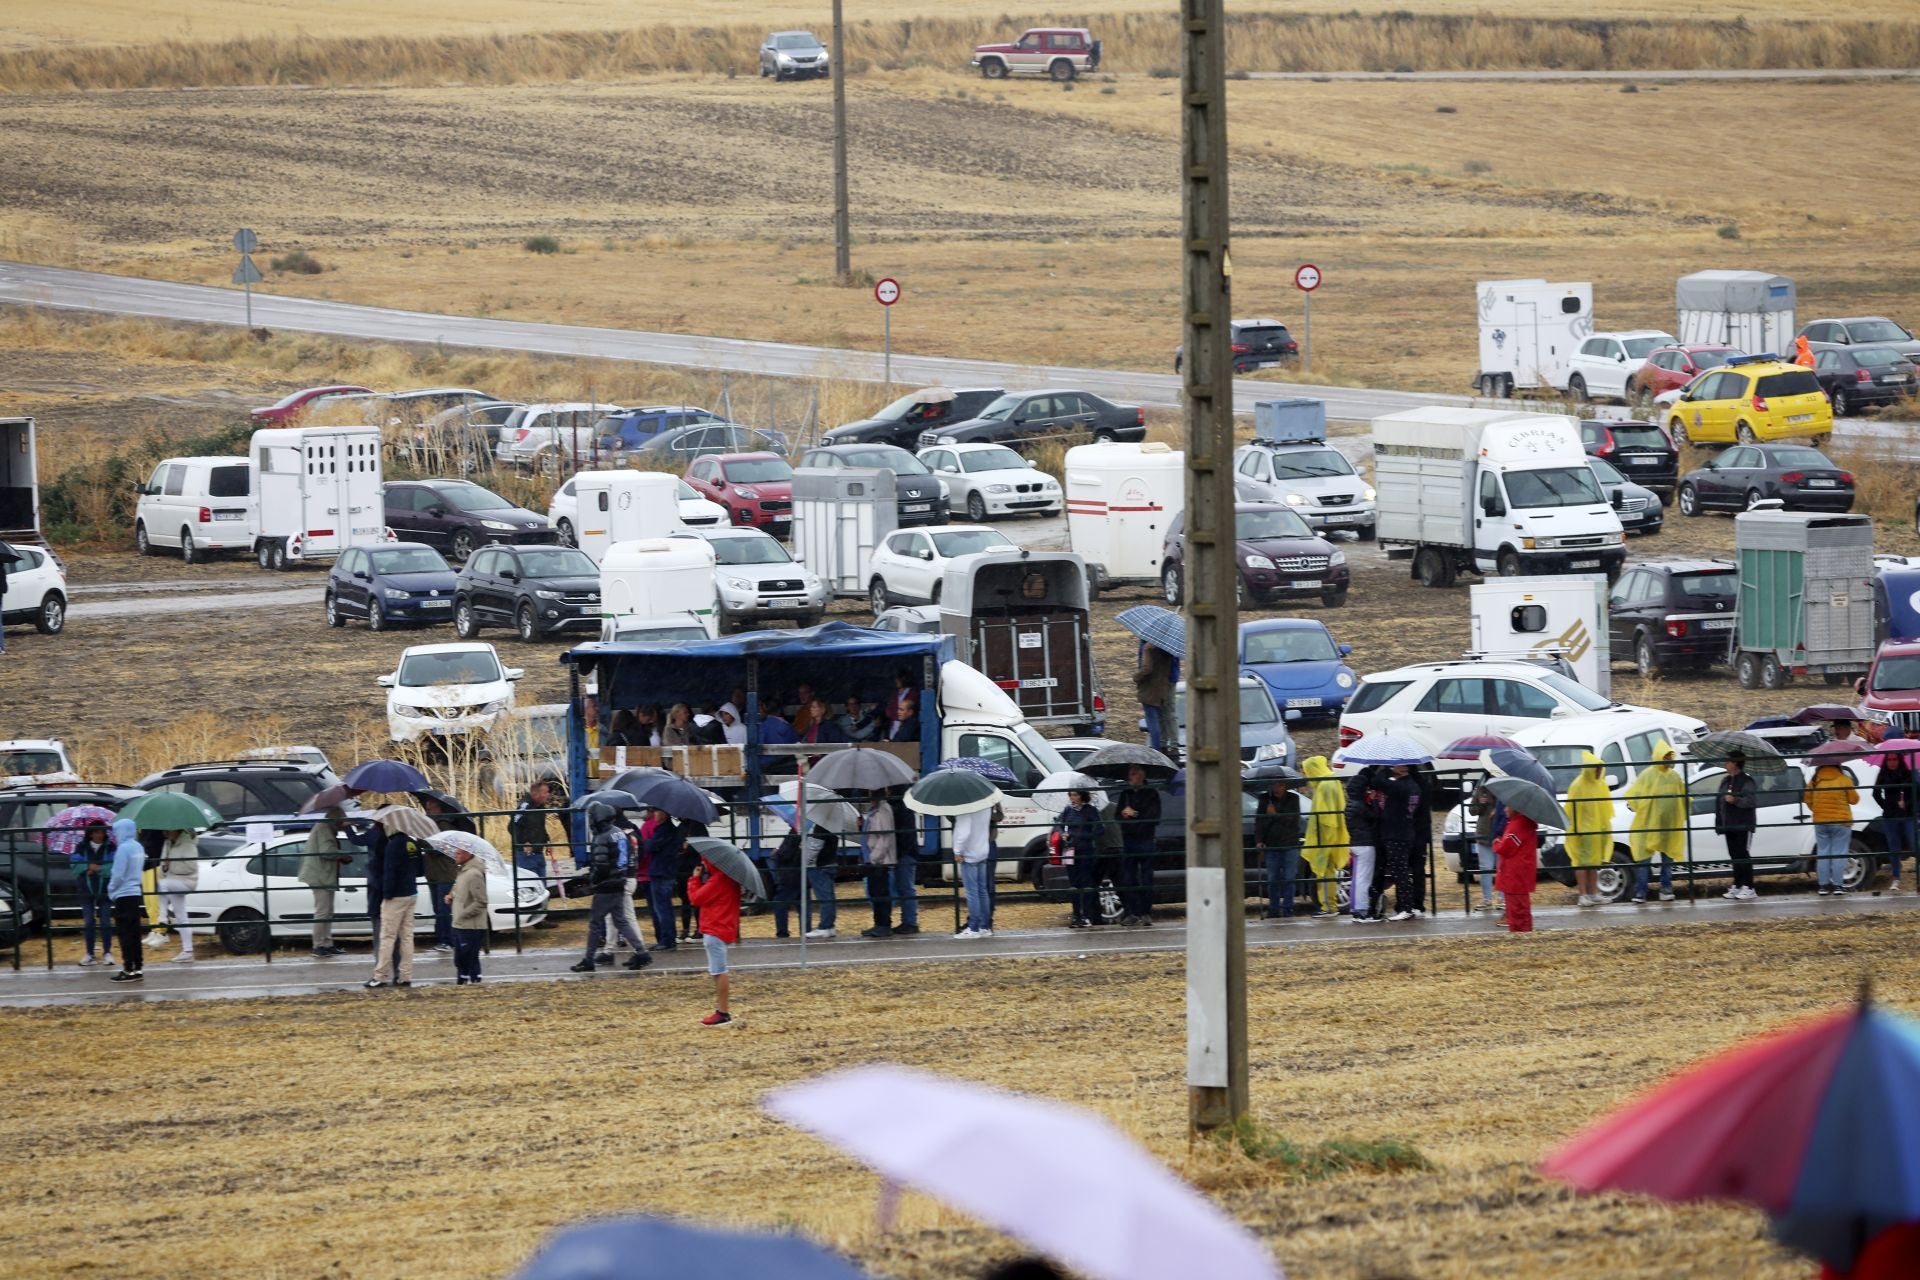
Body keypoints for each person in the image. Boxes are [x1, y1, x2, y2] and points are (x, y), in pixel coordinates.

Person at [571, 801, 652, 973]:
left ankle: (589, 959)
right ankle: (641, 952)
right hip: (620, 880)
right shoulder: (619, 833)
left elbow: (601, 865)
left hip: (607, 885)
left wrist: (592, 880)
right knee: (621, 921)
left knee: (595, 922)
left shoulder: (602, 837)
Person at [364, 815, 423, 989]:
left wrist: (386, 894)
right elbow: (420, 869)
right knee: (407, 937)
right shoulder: (411, 843)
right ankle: (405, 975)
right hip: (411, 893)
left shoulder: (393, 845)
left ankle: (380, 976)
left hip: (395, 896)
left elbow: (389, 873)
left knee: (387, 937)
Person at [1624, 741, 1687, 903]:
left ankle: (1666, 889)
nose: (1669, 759)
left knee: (1667, 860)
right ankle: (1641, 892)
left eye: (1670, 756)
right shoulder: (1647, 775)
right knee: (1644, 861)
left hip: (1668, 826)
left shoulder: (1674, 777)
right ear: (1659, 756)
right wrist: (1637, 807)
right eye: (1666, 756)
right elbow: (1634, 795)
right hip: (1648, 825)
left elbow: (1683, 797)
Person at [686, 854, 742, 1027]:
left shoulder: (718, 880)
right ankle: (721, 1010)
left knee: (719, 971)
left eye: (705, 862)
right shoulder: (730, 879)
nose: (704, 865)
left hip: (715, 927)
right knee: (718, 970)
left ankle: (723, 1012)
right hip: (723, 926)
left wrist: (694, 879)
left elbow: (696, 898)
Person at [299, 806, 352, 957]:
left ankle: (326, 943)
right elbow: (326, 851)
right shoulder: (324, 828)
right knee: (323, 912)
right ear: (336, 819)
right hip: (321, 875)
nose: (342, 824)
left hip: (324, 874)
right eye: (341, 821)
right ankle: (319, 945)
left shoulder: (325, 827)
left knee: (327, 911)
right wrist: (343, 854)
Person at [1302, 756, 1350, 918]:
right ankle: (1328, 905)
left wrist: (1323, 841)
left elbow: (1326, 817)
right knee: (1325, 872)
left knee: (1325, 872)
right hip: (1329, 836)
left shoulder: (1325, 785)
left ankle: (1329, 906)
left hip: (1325, 838)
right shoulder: (1331, 780)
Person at [1380, 763, 1429, 922]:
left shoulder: (1400, 787)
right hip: (1408, 833)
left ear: (1402, 768)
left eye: (1395, 765)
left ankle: (1406, 907)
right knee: (1405, 872)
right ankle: (1410, 905)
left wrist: (1386, 770)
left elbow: (1379, 781)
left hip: (1397, 834)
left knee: (1400, 873)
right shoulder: (1415, 786)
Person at [1565, 752, 1615, 907]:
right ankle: (1583, 895)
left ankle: (1593, 893)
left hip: (1597, 829)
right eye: (1596, 769)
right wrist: (1577, 829)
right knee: (1582, 863)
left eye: (1600, 769)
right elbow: (1571, 809)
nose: (1599, 772)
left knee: (1593, 863)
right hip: (1583, 830)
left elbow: (1604, 806)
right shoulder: (1578, 785)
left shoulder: (1600, 783)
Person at [1113, 765, 1161, 926]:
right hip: (1129, 840)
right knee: (1128, 878)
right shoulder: (1125, 794)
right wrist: (1123, 815)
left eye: (1133, 774)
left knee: (1146, 878)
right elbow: (1117, 815)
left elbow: (1153, 817)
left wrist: (1134, 814)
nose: (1130, 777)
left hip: (1146, 840)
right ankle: (1131, 911)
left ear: (1142, 775)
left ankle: (1146, 911)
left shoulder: (1151, 793)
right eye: (1129, 774)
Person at [1254, 776, 1305, 919]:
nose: (1276, 788)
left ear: (1285, 786)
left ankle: (1288, 908)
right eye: (1274, 785)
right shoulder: (1265, 799)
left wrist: (1275, 815)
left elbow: (1293, 820)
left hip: (1290, 843)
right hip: (1272, 844)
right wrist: (1259, 840)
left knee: (1289, 877)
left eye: (1280, 785)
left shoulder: (1293, 799)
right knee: (1273, 879)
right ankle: (1274, 909)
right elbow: (1259, 821)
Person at [1809, 754, 1858, 896]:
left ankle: (1823, 886)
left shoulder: (1815, 780)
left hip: (1820, 821)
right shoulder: (1844, 779)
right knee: (1839, 853)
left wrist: (1817, 810)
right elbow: (1854, 800)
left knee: (1823, 853)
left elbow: (1807, 798)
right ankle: (1838, 886)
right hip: (1841, 822)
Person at [1716, 750, 1761, 902]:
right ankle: (1738, 884)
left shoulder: (1747, 781)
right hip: (1729, 824)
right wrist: (1719, 822)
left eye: (1727, 761)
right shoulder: (1726, 780)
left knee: (1743, 855)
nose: (1725, 764)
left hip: (1743, 824)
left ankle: (1749, 886)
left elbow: (1751, 801)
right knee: (1734, 855)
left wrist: (1735, 800)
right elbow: (1719, 801)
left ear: (1735, 763)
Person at [69, 820, 115, 967]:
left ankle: (107, 952)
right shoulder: (81, 847)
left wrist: (96, 869)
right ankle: (90, 953)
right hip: (85, 891)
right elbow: (74, 865)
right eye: (96, 832)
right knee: (89, 922)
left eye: (101, 832)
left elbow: (114, 867)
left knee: (106, 922)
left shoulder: (111, 847)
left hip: (105, 891)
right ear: (90, 833)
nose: (99, 835)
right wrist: (88, 867)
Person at [1058, 789, 1105, 928]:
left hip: (1085, 850)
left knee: (1086, 882)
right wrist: (1063, 834)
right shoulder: (1067, 810)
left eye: (1075, 795)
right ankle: (1076, 914)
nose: (1073, 798)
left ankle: (1087, 915)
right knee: (1074, 883)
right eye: (1071, 795)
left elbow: (1100, 829)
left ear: (1082, 796)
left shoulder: (1090, 810)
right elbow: (1060, 826)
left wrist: (1084, 836)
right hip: (1070, 850)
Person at [1344, 766, 1385, 922]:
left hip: (1355, 842)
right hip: (1366, 844)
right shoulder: (1361, 805)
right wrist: (1374, 800)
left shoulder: (1350, 804)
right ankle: (1362, 910)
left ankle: (1357, 909)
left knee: (1358, 877)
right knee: (1364, 878)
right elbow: (1375, 815)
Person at [107, 818, 146, 982]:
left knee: (125, 933)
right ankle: (138, 967)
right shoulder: (138, 846)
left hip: (123, 894)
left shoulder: (123, 849)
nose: (115, 835)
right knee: (135, 932)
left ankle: (127, 968)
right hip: (135, 892)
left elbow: (118, 874)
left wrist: (111, 889)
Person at [1873, 748, 1915, 894]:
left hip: (1906, 814)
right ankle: (1896, 877)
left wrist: (1907, 804)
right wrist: (1886, 805)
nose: (1892, 762)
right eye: (1889, 759)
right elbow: (1875, 792)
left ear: (1899, 760)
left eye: (1894, 759)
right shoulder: (1883, 774)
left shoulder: (1906, 773)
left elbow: (1915, 793)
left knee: (1914, 843)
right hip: (1890, 815)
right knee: (1893, 846)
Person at [447, 842, 489, 985]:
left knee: (469, 957)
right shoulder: (463, 872)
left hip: (470, 925)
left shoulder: (474, 874)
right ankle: (464, 981)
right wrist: (451, 895)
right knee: (460, 958)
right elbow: (459, 889)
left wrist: (464, 914)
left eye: (458, 853)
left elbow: (481, 901)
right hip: (459, 923)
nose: (455, 856)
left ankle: (474, 982)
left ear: (468, 854)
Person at [155, 829, 200, 962]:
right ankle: (188, 951)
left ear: (178, 830)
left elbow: (191, 867)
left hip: (187, 881)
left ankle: (163, 916)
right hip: (172, 880)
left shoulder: (188, 845)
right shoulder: (168, 843)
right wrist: (166, 866)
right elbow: (163, 865)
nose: (165, 832)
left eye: (168, 830)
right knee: (181, 915)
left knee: (162, 884)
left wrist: (172, 865)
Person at [642, 807, 684, 950]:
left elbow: (651, 846)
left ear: (664, 814)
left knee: (662, 908)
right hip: (665, 870)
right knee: (664, 907)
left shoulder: (664, 830)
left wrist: (646, 842)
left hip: (661, 871)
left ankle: (667, 940)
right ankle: (667, 939)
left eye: (657, 812)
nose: (655, 815)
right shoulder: (669, 829)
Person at [1492, 809, 1539, 933]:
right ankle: (1524, 931)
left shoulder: (1518, 825)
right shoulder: (1522, 823)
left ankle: (1519, 932)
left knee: (1516, 908)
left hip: (1515, 873)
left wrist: (1497, 843)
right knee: (1520, 907)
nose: (1505, 809)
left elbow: (1507, 848)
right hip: (1519, 872)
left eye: (1507, 806)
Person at [859, 793, 897, 938]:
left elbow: (885, 837)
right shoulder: (875, 810)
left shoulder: (883, 810)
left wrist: (874, 857)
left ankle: (883, 924)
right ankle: (879, 923)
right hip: (873, 859)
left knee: (880, 892)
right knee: (875, 892)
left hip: (879, 860)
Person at [954, 803, 995, 938]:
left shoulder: (965, 807)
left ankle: (973, 927)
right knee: (982, 890)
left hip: (969, 853)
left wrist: (957, 850)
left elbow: (963, 832)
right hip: (982, 850)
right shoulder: (985, 805)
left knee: (972, 892)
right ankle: (985, 926)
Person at [510, 779, 558, 892]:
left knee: (542, 888)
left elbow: (540, 827)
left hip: (538, 852)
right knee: (530, 888)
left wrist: (547, 841)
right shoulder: (525, 806)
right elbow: (512, 825)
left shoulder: (540, 807)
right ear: (536, 793)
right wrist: (524, 842)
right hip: (526, 855)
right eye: (545, 792)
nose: (548, 795)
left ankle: (542, 908)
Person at [888, 789, 920, 934]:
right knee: (906, 887)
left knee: (906, 888)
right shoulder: (905, 806)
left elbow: (902, 836)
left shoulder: (898, 808)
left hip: (903, 854)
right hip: (908, 852)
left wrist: (897, 855)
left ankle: (910, 922)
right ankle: (908, 920)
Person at [1134, 642, 1174, 753]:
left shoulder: (1149, 648)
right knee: (1161, 719)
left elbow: (1147, 669)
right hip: (1162, 689)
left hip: (1149, 689)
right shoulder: (1168, 649)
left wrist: (1136, 677)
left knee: (1152, 722)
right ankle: (1163, 744)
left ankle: (1156, 750)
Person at [1468, 783, 1500, 911]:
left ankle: (1502, 898)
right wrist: (1481, 803)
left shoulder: (1505, 789)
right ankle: (1487, 899)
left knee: (1501, 867)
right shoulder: (1482, 789)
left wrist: (1499, 809)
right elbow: (1472, 811)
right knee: (1485, 868)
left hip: (1500, 833)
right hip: (1484, 833)